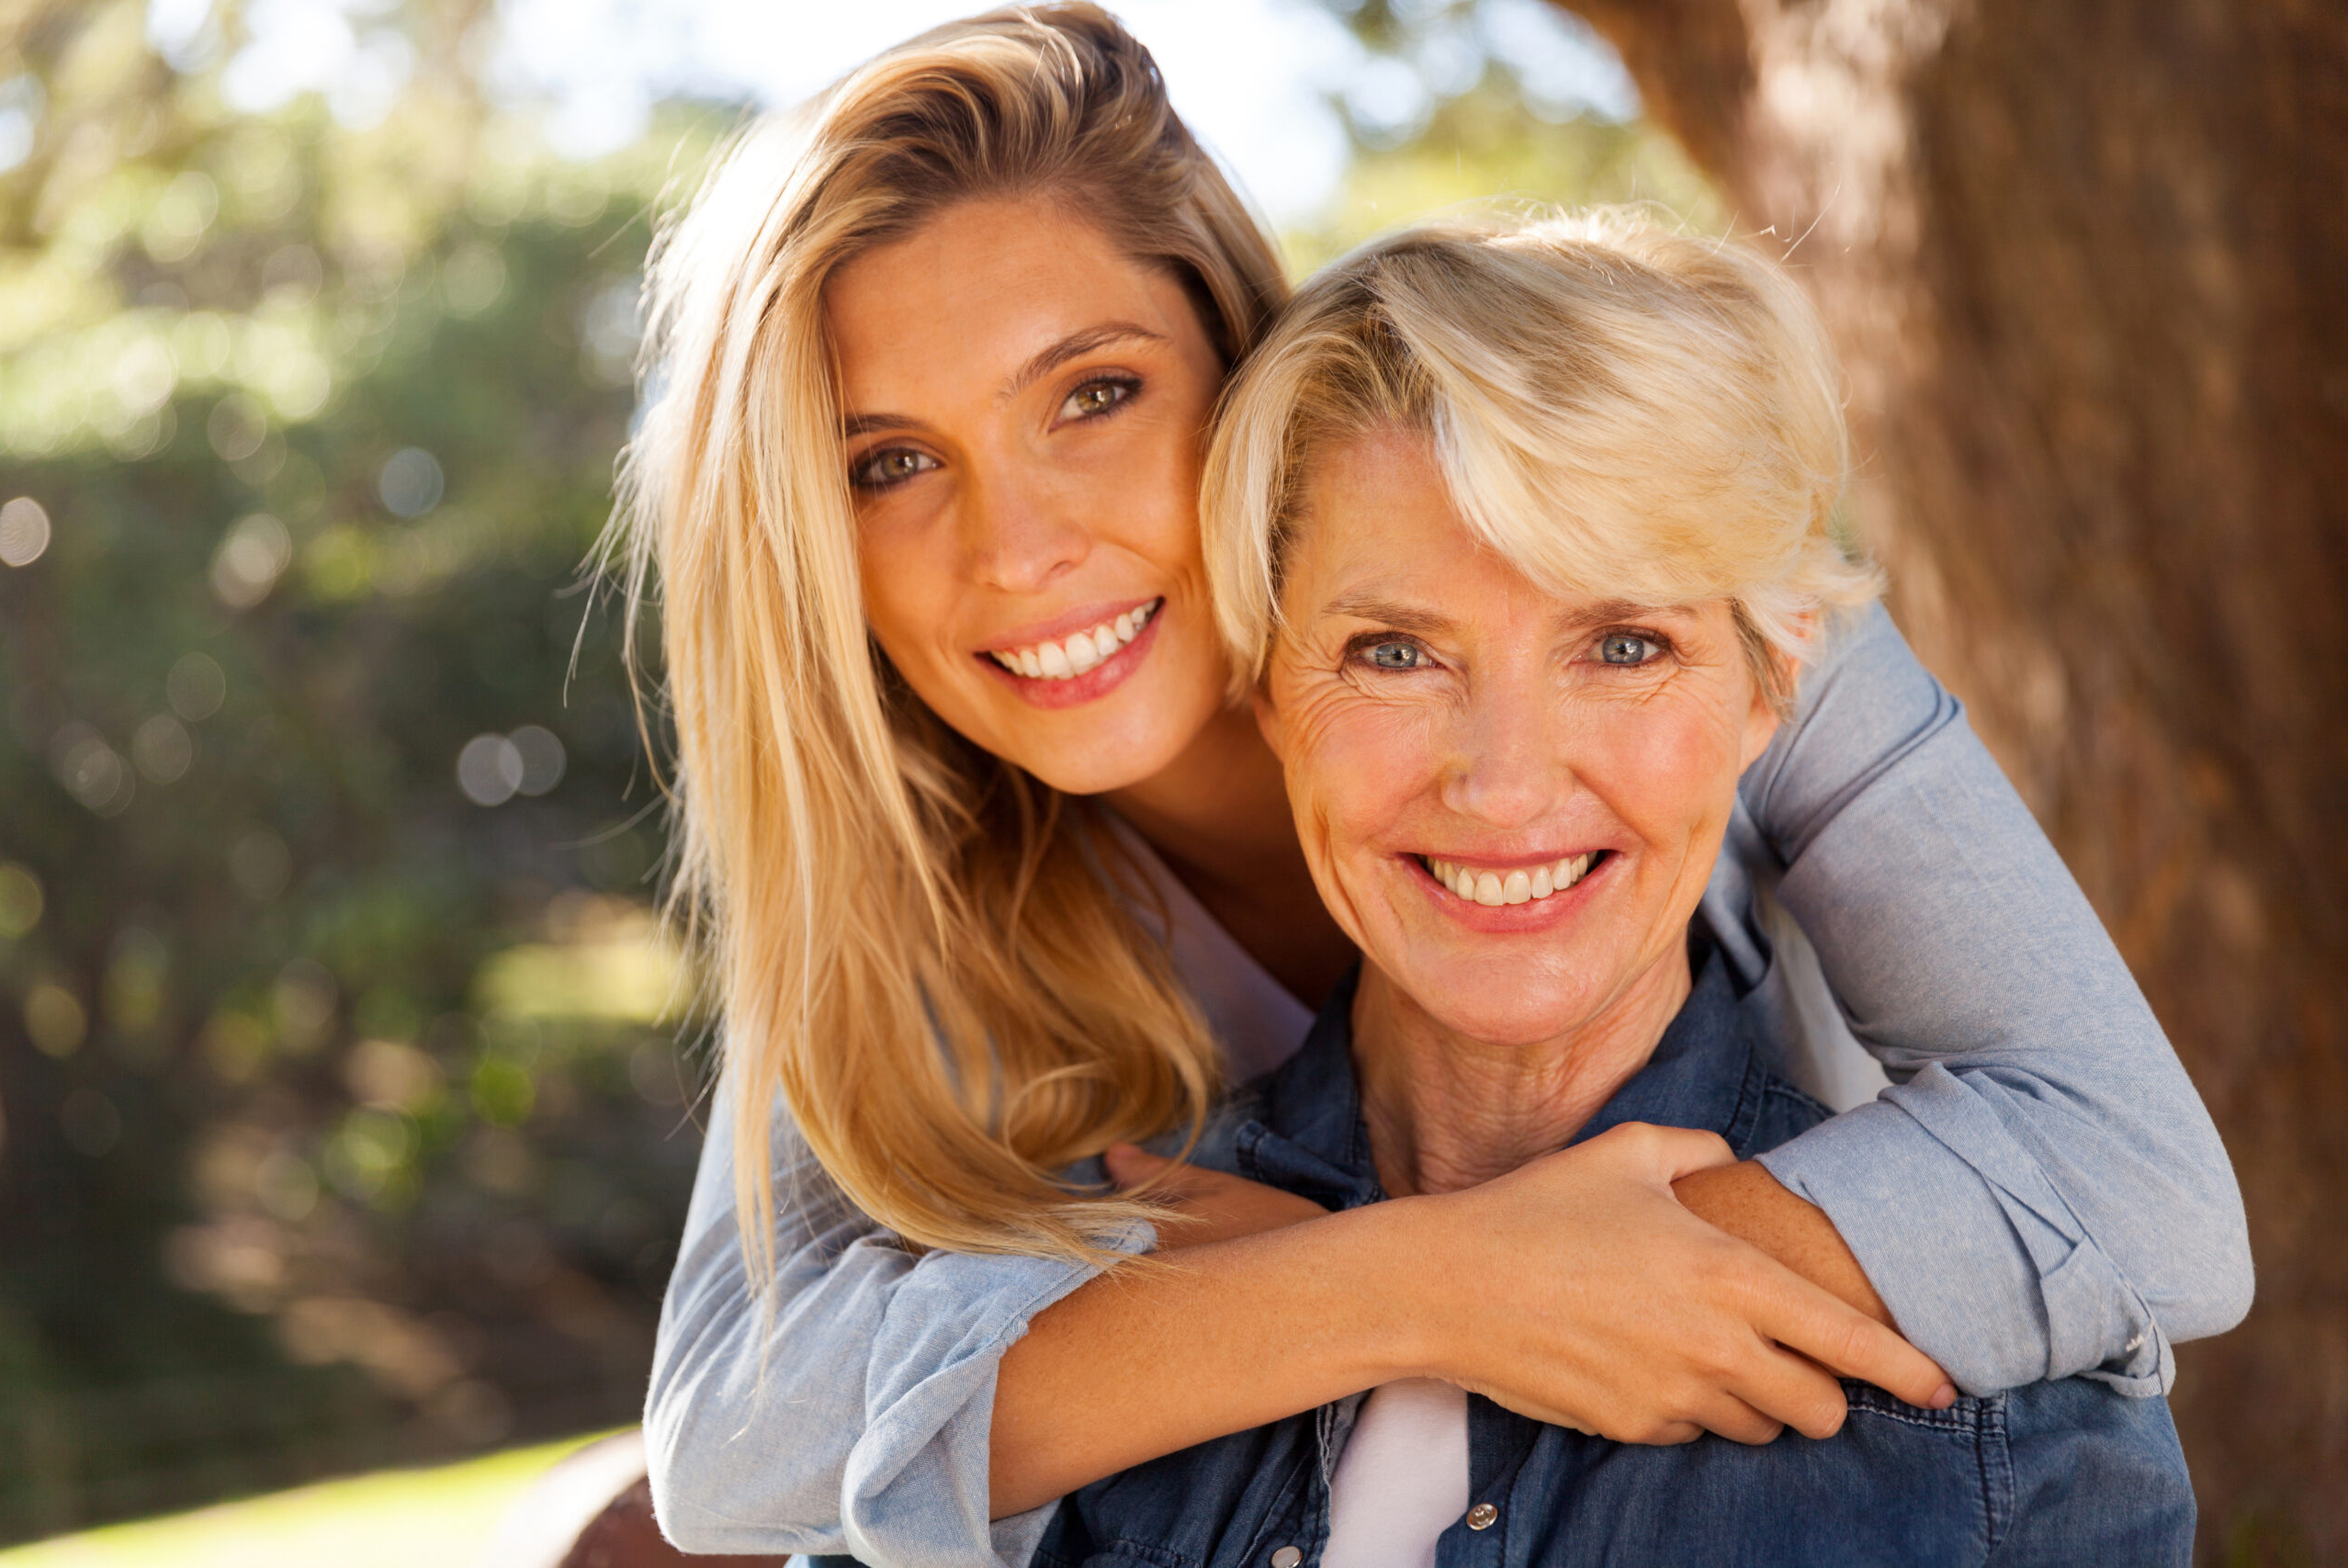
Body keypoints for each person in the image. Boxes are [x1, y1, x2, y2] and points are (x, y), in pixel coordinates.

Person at [612, 7, 2249, 1561]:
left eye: (1093, 395)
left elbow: (2143, 1189)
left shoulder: (1654, 555)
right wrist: (1427, 1286)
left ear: (1233, 368)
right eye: (889, 463)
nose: (1019, 545)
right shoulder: (907, 847)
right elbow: (736, 1435)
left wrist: (1334, 1284)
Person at [1025, 209, 2196, 1568]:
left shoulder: (2011, 1411)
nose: (1507, 784)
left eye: (1625, 644)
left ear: (1773, 685)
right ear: (1265, 693)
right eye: (1395, 652)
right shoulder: (1057, 1310)